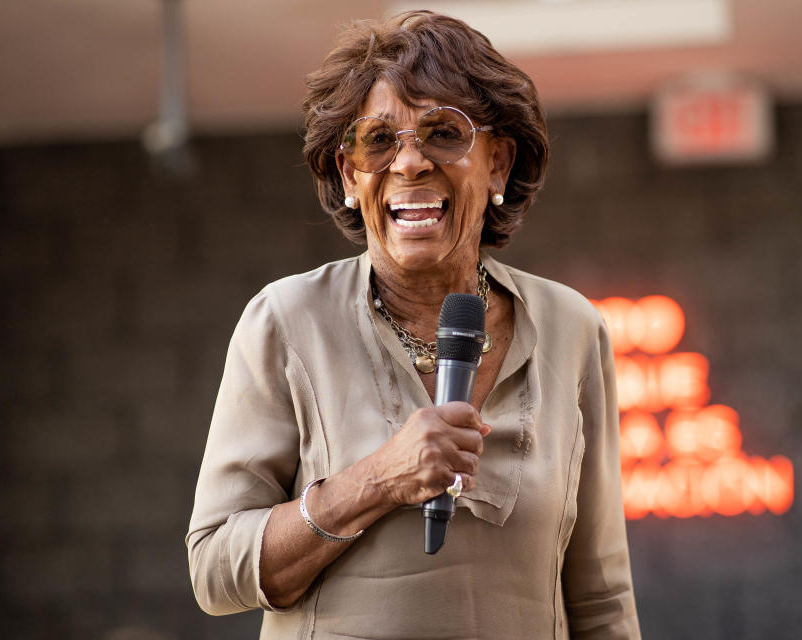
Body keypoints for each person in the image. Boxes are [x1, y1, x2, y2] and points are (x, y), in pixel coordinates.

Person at [186, 10, 640, 639]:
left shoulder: (571, 327)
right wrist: (378, 479)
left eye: (443, 134)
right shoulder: (287, 320)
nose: (410, 164)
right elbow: (214, 570)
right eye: (377, 141)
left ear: (498, 164)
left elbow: (601, 596)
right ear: (350, 176)